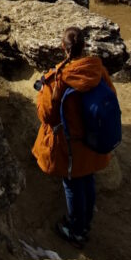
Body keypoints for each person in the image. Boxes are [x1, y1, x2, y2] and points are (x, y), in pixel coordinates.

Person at [32, 26, 116, 247]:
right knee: (87, 179)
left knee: (72, 184)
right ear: (84, 46)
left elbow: (46, 115)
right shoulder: (97, 70)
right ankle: (86, 220)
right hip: (93, 139)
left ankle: (76, 229)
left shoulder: (58, 78)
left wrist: (41, 95)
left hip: (69, 145)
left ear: (63, 47)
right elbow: (112, 97)